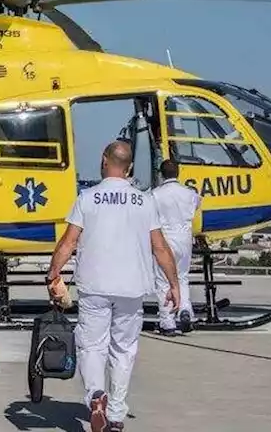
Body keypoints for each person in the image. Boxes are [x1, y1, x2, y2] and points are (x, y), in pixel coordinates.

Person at [45, 141, 180, 432]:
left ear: (104, 161)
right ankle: (116, 414)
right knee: (124, 349)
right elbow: (160, 248)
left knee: (92, 345)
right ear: (129, 167)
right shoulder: (145, 201)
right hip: (132, 287)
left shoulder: (88, 198)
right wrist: (174, 284)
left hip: (95, 285)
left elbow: (68, 242)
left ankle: (96, 395)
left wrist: (53, 274)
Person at [149, 158, 201, 335]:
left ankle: (167, 322)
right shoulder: (189, 193)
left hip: (165, 239)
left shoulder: (155, 194)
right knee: (182, 277)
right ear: (178, 173)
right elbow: (196, 205)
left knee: (164, 280)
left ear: (161, 174)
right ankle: (185, 310)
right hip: (184, 238)